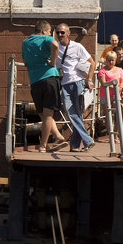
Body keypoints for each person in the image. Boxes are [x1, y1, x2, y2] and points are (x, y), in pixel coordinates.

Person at [22, 20, 68, 153]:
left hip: (35, 81)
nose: (50, 35)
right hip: (49, 79)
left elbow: (26, 61)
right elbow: (55, 45)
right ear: (44, 31)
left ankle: (58, 136)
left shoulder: (25, 42)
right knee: (48, 115)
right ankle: (43, 145)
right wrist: (53, 62)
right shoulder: (46, 38)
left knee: (42, 113)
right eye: (50, 32)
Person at [55, 23, 95, 153]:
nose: (59, 35)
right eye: (57, 32)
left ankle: (76, 144)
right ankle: (82, 142)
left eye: (62, 32)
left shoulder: (77, 47)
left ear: (68, 33)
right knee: (71, 113)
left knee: (75, 113)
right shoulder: (55, 47)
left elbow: (92, 63)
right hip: (64, 84)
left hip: (77, 83)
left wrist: (89, 80)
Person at [98, 51, 123, 141]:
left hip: (117, 96)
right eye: (109, 60)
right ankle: (111, 135)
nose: (111, 62)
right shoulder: (102, 71)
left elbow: (122, 81)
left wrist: (119, 88)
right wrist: (114, 87)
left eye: (112, 60)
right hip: (105, 96)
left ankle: (116, 134)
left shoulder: (120, 70)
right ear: (106, 60)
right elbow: (104, 83)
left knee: (120, 114)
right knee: (108, 116)